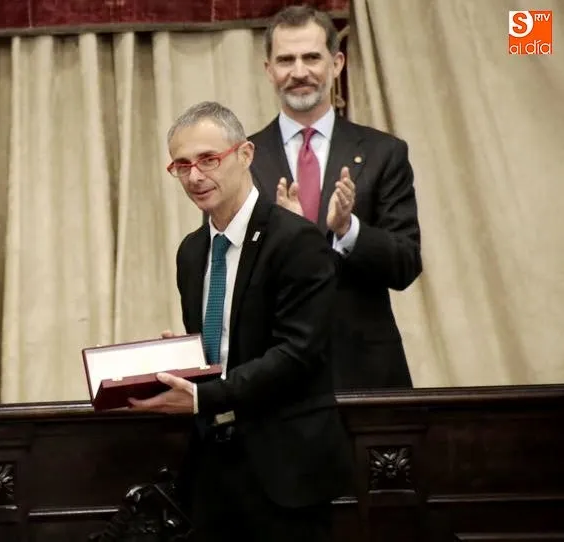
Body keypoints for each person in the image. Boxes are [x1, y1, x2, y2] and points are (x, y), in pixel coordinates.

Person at [129, 101, 351, 541]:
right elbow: (227, 347)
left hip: (284, 469)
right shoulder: (192, 251)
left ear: (245, 154)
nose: (195, 176)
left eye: (209, 159)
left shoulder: (296, 240)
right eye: (182, 165)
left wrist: (202, 395)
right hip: (212, 465)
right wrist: (188, 359)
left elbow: (297, 354)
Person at [249, 4, 421, 389]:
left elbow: (406, 264)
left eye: (312, 57)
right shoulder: (243, 159)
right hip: (273, 377)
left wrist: (349, 230)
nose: (298, 72)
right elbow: (228, 272)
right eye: (285, 60)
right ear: (268, 70)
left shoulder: (383, 153)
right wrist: (284, 237)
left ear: (337, 62)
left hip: (365, 372)